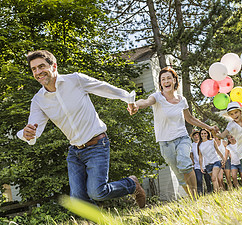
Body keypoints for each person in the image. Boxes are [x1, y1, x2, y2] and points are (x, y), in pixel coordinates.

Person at [17, 50, 146, 208]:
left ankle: (132, 184)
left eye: (41, 66)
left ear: (54, 66)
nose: (38, 72)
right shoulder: (38, 100)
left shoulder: (75, 80)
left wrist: (128, 98)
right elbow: (33, 128)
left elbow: (104, 88)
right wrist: (27, 134)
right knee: (78, 199)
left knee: (97, 192)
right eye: (34, 69)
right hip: (75, 151)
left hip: (98, 144)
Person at [128, 66, 217, 197]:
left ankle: (197, 196)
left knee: (185, 164)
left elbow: (190, 118)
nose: (166, 81)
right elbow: (146, 102)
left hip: (182, 138)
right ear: (160, 83)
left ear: (174, 80)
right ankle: (192, 199)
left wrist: (208, 127)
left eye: (169, 78)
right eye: (163, 79)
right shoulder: (157, 97)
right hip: (165, 143)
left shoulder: (182, 100)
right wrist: (136, 105)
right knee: (180, 175)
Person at [190, 130, 212, 195]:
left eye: (197, 135)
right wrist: (193, 162)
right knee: (199, 180)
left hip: (206, 164)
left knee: (208, 180)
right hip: (197, 166)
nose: (196, 136)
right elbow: (191, 154)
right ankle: (200, 194)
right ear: (193, 137)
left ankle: (210, 192)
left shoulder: (203, 143)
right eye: (194, 135)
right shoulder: (192, 145)